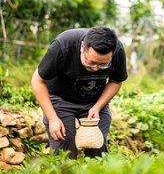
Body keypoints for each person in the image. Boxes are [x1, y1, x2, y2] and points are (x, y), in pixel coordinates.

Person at [31, 26, 128, 158]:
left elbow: (116, 81)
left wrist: (98, 107)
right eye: (91, 62)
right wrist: (52, 118)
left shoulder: (118, 50)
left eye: (103, 65)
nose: (96, 68)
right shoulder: (63, 45)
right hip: (61, 99)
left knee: (97, 147)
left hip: (94, 102)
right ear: (82, 47)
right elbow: (37, 80)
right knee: (64, 150)